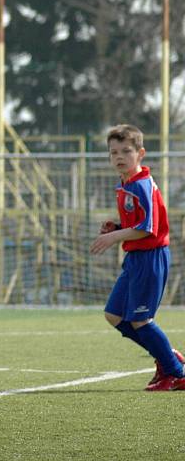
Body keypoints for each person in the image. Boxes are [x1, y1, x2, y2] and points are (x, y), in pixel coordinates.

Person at [89, 124, 185, 391]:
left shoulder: (141, 184)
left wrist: (113, 238)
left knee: (141, 320)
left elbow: (148, 228)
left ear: (140, 153)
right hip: (135, 259)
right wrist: (117, 228)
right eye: (113, 152)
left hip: (150, 258)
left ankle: (177, 373)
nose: (119, 157)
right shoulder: (126, 183)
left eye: (126, 151)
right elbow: (138, 224)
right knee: (114, 315)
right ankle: (167, 358)